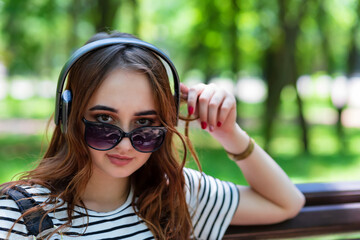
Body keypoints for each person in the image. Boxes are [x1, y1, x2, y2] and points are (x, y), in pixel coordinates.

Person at [0, 31, 305, 240]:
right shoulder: (20, 215)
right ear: (68, 116)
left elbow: (286, 203)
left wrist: (229, 132)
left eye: (145, 123)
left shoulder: (172, 195)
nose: (124, 142)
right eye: (104, 119)